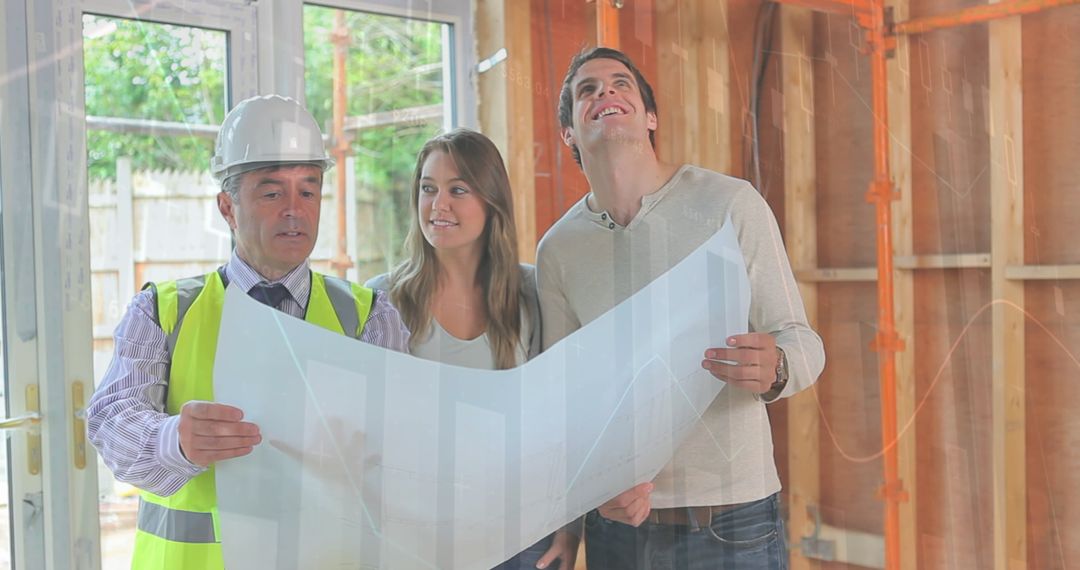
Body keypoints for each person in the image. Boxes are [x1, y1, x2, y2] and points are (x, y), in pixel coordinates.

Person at [86, 94, 411, 570]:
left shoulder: (369, 317)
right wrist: (174, 439)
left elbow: (406, 451)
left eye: (309, 190)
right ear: (227, 206)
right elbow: (110, 423)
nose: (295, 210)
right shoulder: (163, 311)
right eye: (272, 192)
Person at [536, 47, 826, 569]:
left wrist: (778, 366)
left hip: (733, 520)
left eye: (621, 84)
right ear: (569, 136)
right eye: (587, 90)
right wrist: (580, 509)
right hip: (618, 528)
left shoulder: (730, 204)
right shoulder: (557, 250)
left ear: (650, 117)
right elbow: (567, 402)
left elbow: (802, 341)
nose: (605, 93)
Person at [366, 128, 577, 570]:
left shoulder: (532, 292)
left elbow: (560, 413)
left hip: (522, 534)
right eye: (428, 189)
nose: (438, 205)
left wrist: (569, 525)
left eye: (457, 190)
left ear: (491, 201)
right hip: (420, 537)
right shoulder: (383, 301)